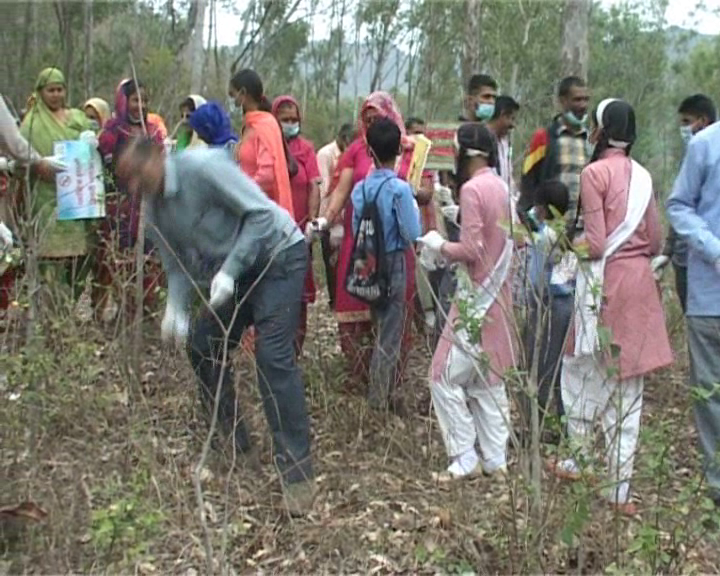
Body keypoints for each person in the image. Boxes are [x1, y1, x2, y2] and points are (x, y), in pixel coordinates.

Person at [116, 138, 314, 515]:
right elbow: (176, 264)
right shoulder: (154, 208)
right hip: (231, 275)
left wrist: (230, 270)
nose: (136, 188)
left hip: (277, 257)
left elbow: (258, 214)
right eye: (129, 182)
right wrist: (176, 308)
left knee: (272, 359)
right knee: (203, 345)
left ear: (159, 158)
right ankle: (235, 444)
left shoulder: (204, 167)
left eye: (139, 176)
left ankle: (298, 477)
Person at [550, 99, 672, 516]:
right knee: (629, 388)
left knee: (580, 370)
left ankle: (577, 460)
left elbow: (597, 243)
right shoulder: (644, 177)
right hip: (638, 286)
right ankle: (620, 491)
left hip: (603, 286)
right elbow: (655, 241)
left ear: (601, 130)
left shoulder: (594, 173)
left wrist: (565, 245)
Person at [417, 122, 516, 480]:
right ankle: (495, 459)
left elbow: (472, 249)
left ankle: (464, 456)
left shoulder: (474, 189)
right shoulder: (502, 187)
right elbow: (502, 237)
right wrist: (456, 215)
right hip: (499, 296)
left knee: (441, 375)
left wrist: (438, 244)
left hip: (476, 297)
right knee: (487, 381)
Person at [315, 91, 416, 389]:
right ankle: (372, 385)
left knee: (386, 316)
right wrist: (326, 222)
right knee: (380, 318)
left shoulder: (410, 149)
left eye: (377, 119)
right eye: (367, 119)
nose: (371, 124)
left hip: (376, 249)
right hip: (372, 248)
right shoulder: (358, 154)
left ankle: (383, 383)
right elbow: (340, 196)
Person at [666, 108, 720, 508]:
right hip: (710, 296)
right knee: (710, 393)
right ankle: (717, 483)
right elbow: (679, 205)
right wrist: (714, 250)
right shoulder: (705, 145)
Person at [351, 117, 421, 411]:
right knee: (390, 335)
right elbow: (411, 233)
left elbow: (357, 227)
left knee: (379, 324)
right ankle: (378, 400)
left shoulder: (359, 189)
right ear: (399, 151)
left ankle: (376, 392)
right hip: (393, 263)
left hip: (367, 262)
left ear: (370, 152)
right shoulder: (400, 189)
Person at [20, 67, 96, 307]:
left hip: (77, 200)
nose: (55, 95)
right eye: (50, 90)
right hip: (46, 199)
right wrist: (37, 165)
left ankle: (72, 309)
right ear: (40, 92)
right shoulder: (31, 124)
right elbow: (21, 160)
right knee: (50, 265)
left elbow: (93, 149)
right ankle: (52, 313)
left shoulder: (77, 117)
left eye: (59, 89)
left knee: (78, 261)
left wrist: (92, 141)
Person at [95, 78, 165, 322]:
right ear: (124, 101)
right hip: (120, 208)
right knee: (118, 259)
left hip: (147, 208)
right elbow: (106, 168)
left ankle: (144, 312)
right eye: (136, 100)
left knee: (147, 260)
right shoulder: (112, 131)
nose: (141, 105)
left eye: (145, 100)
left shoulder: (154, 131)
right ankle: (121, 310)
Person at [653, 94, 717, 313]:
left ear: (703, 120)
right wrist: (668, 251)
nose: (683, 129)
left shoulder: (706, 151)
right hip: (685, 258)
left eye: (686, 122)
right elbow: (680, 208)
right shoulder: (694, 153)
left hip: (703, 260)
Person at [522, 179, 572, 441]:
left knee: (547, 368)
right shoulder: (551, 229)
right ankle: (550, 424)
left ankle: (545, 427)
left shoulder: (553, 237)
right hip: (546, 304)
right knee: (544, 365)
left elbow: (536, 235)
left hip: (554, 305)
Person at [272, 95, 322, 354]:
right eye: (284, 120)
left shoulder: (306, 149)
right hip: (271, 231)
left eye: (294, 119)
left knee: (299, 291)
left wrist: (312, 220)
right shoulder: (267, 146)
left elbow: (313, 184)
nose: (290, 124)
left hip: (300, 231)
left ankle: (295, 349)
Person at [518, 76, 591, 224]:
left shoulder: (591, 141)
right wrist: (529, 221)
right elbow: (528, 182)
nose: (583, 105)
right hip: (550, 231)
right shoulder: (543, 138)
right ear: (563, 101)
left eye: (586, 99)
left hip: (582, 231)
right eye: (577, 100)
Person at [229, 69, 295, 217]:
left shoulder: (264, 125)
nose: (232, 101)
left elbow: (267, 175)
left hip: (261, 212)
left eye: (233, 95)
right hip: (248, 208)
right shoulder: (250, 125)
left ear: (243, 93)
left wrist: (240, 191)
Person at [316, 123, 355, 310]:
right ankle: (335, 301)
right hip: (330, 215)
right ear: (341, 138)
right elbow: (325, 188)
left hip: (348, 216)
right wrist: (329, 218)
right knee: (332, 263)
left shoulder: (351, 155)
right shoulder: (325, 155)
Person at [486, 95, 520, 196]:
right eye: (511, 118)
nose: (513, 125)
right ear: (502, 114)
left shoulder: (505, 144)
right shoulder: (482, 141)